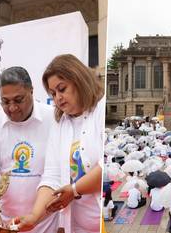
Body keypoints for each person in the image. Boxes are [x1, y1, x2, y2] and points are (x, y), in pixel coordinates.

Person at [14, 54, 104, 233]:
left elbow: (104, 165)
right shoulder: (60, 122)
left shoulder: (101, 108)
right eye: (53, 93)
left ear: (79, 80)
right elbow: (52, 175)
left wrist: (75, 189)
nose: (58, 98)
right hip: (77, 226)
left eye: (62, 89)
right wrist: (34, 216)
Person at [0, 67, 59, 232]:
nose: (12, 108)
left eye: (18, 100)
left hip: (46, 224)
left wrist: (47, 218)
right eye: (5, 102)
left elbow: (56, 174)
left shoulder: (54, 119)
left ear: (31, 91)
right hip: (5, 224)